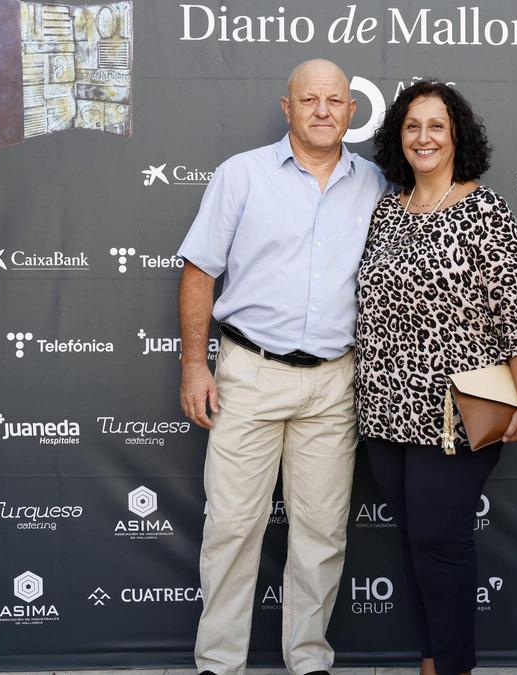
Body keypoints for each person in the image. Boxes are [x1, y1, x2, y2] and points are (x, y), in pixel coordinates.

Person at [176, 58, 386, 675]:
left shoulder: (375, 182)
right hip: (249, 373)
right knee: (232, 529)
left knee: (322, 534)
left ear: (352, 111)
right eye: (310, 100)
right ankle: (218, 665)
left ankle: (308, 660)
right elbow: (199, 270)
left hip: (334, 382)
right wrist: (195, 363)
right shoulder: (242, 175)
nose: (323, 111)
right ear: (287, 107)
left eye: (335, 100)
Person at [355, 81, 517, 675]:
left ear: (456, 134)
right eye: (412, 126)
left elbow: (516, 309)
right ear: (398, 138)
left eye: (436, 125)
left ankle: (453, 667)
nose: (424, 137)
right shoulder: (387, 211)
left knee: (441, 541)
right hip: (385, 410)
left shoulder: (484, 208)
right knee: (416, 543)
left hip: (454, 413)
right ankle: (431, 660)